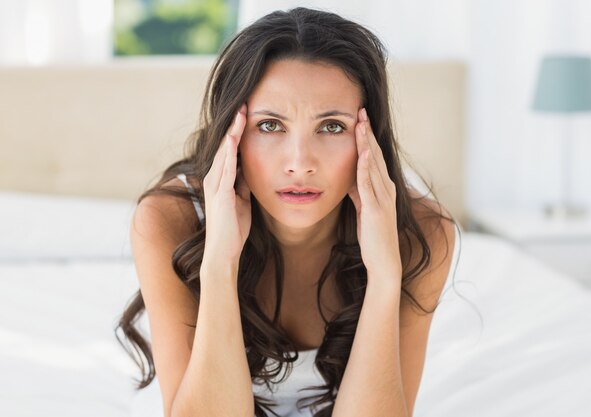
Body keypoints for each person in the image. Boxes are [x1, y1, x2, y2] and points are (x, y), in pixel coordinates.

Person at [115, 6, 460, 417]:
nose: (299, 162)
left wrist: (385, 277)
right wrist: (218, 265)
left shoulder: (423, 232)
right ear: (233, 134)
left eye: (331, 126)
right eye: (270, 126)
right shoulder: (169, 222)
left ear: (369, 138)